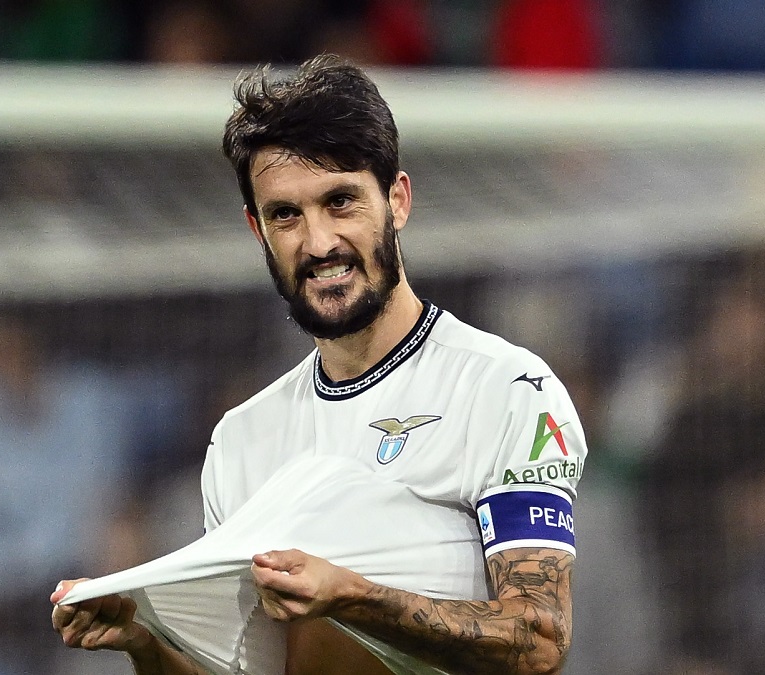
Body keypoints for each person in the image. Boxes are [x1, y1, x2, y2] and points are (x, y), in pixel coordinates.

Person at [51, 54, 588, 674]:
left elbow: (539, 639)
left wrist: (353, 596)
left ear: (397, 200)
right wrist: (144, 640)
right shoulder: (241, 441)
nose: (318, 243)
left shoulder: (506, 390)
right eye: (286, 214)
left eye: (340, 202)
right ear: (257, 229)